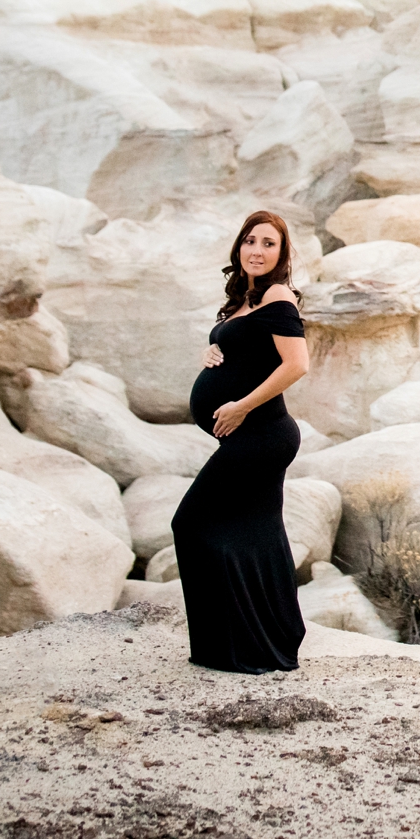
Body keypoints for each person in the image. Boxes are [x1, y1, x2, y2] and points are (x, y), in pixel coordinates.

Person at [172, 209, 311, 673]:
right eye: (250, 241)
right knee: (257, 534)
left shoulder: (277, 296)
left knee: (190, 523)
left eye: (268, 243)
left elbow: (296, 365)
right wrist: (214, 348)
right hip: (253, 436)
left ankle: (241, 643)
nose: (257, 250)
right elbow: (245, 349)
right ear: (239, 247)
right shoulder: (244, 299)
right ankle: (258, 641)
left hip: (263, 435)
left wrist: (241, 406)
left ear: (282, 253)